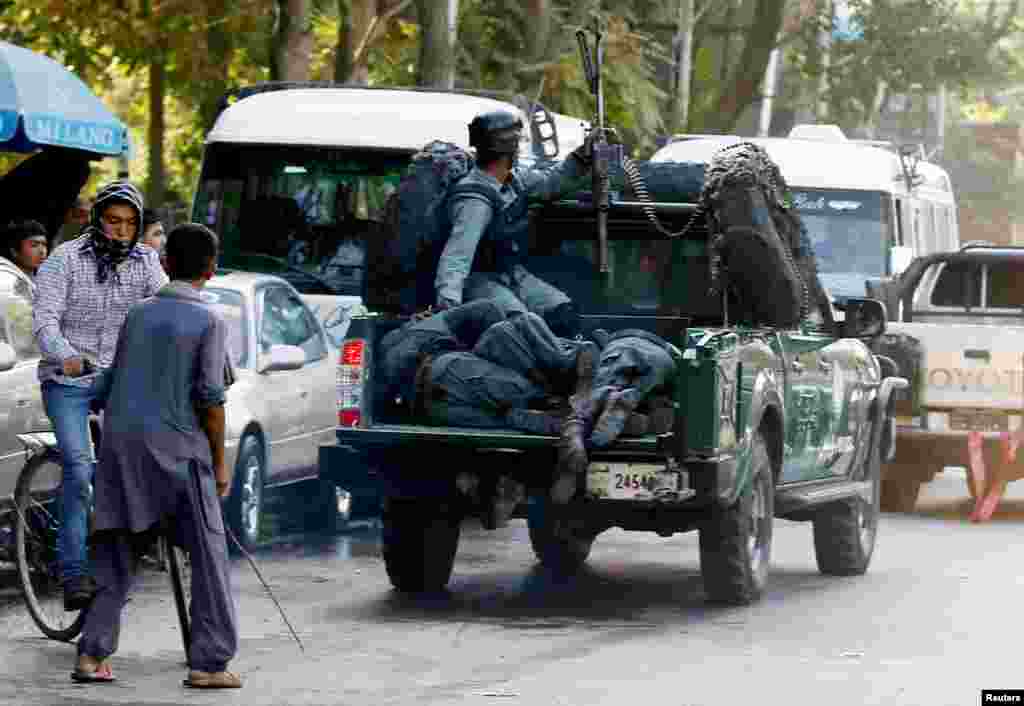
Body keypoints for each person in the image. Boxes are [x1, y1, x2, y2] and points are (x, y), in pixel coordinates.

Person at [70, 223, 240, 688]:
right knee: (208, 554)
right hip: (179, 454)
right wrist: (220, 466)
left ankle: (91, 657)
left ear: (165, 264)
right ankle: (209, 663)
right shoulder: (209, 321)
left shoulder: (138, 314)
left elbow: (109, 382)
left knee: (117, 553)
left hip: (122, 450)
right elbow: (210, 399)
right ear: (212, 267)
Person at [32, 181, 168, 611]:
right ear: (97, 220)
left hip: (119, 382)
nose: (121, 231)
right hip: (68, 381)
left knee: (135, 459)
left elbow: (167, 307)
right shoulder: (65, 259)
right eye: (113, 221)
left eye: (130, 224)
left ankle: (128, 546)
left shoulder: (147, 263)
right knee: (77, 465)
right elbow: (45, 321)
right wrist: (67, 356)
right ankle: (71, 572)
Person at [434, 110, 594, 338]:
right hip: (479, 280)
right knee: (520, 326)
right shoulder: (475, 201)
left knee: (562, 314)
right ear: (505, 149)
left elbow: (550, 182)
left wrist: (582, 156)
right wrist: (449, 309)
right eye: (516, 143)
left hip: (511, 274)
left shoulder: (513, 182)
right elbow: (457, 257)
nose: (518, 149)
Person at [0, 219, 48, 296]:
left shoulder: (43, 281)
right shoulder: (7, 283)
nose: (42, 251)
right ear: (14, 251)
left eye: (44, 244)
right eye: (34, 245)